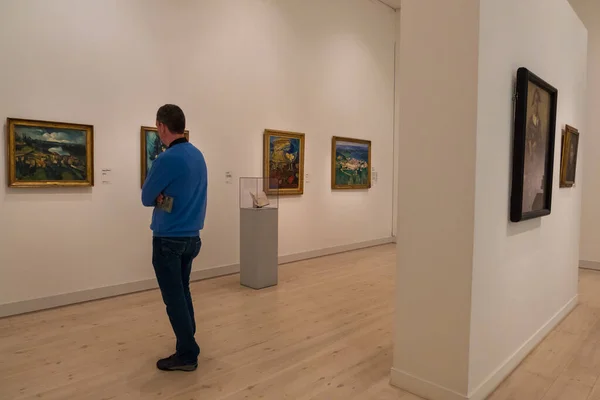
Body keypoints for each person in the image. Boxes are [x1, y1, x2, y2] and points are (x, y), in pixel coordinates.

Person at [141, 104, 208, 372]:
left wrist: (158, 196)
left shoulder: (166, 159)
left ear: (161, 127)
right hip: (192, 237)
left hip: (169, 238)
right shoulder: (198, 155)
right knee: (182, 290)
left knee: (174, 297)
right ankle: (188, 337)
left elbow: (146, 197)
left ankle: (187, 353)